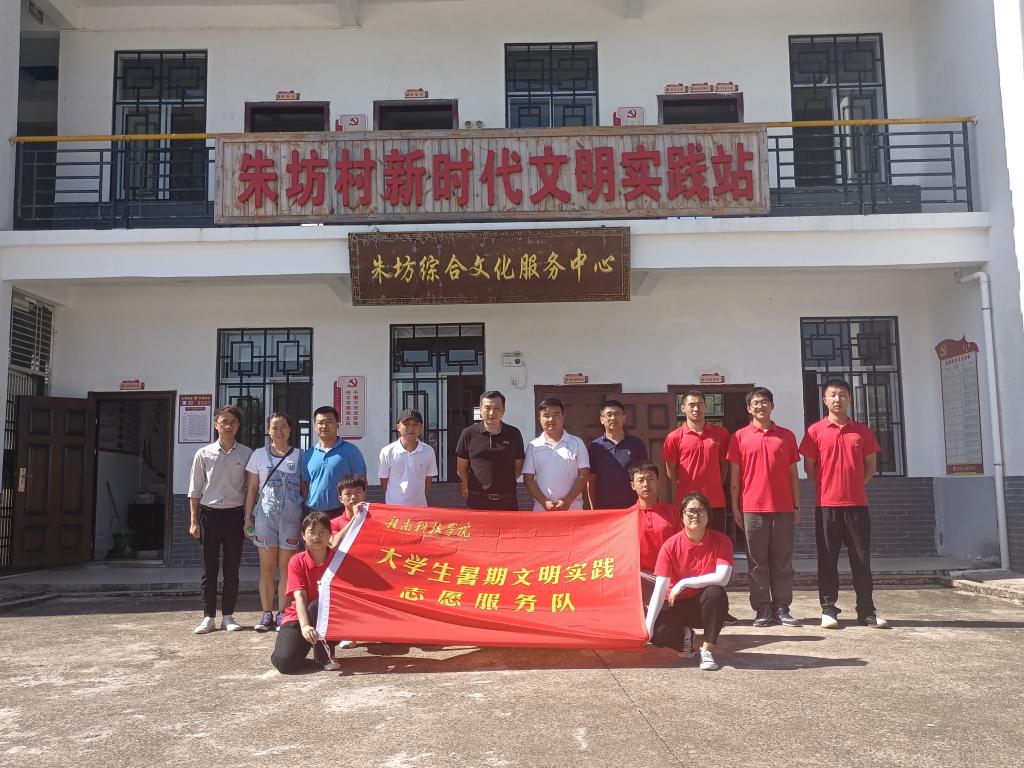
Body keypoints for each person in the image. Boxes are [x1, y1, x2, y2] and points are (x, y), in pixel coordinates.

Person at [800, 378, 889, 629]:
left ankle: (866, 611)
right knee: (827, 559)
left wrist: (854, 486)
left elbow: (870, 467)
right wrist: (828, 487)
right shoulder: (815, 431)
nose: (837, 399)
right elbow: (810, 468)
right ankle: (829, 609)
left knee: (861, 560)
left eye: (842, 394)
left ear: (849, 398)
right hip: (826, 506)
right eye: (832, 395)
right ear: (824, 400)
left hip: (857, 506)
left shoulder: (862, 431)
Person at [726, 387, 801, 628]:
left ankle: (782, 607)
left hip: (783, 508)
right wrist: (736, 509)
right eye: (756, 403)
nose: (760, 406)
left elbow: (793, 475)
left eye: (765, 402)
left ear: (772, 406)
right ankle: (762, 608)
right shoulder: (739, 437)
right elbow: (735, 477)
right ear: (749, 408)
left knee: (782, 561)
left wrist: (796, 506)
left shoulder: (786, 436)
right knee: (757, 562)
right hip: (753, 509)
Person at [645, 491, 734, 671]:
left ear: (708, 516)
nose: (696, 515)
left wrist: (684, 582)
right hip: (675, 604)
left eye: (701, 511)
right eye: (690, 511)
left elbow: (723, 578)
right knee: (658, 634)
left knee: (715, 593)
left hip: (702, 606)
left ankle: (707, 650)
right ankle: (685, 637)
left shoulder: (721, 541)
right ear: (682, 516)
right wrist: (648, 628)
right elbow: (660, 589)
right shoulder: (670, 546)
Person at [188, 405, 253, 634]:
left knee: (232, 568)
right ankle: (208, 617)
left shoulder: (246, 454)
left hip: (235, 516)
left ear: (238, 426)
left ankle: (228, 616)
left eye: (233, 422)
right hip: (209, 515)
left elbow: (250, 489)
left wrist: (248, 518)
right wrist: (194, 520)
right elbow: (195, 489)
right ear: (216, 425)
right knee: (209, 570)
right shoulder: (203, 454)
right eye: (224, 422)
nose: (228, 426)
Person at [270, 511, 354, 673]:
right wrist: (305, 626)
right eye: (312, 532)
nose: (317, 536)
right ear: (303, 535)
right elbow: (299, 595)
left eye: (322, 532)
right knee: (284, 663)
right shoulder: (297, 561)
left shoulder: (339, 560)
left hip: (330, 617)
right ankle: (307, 650)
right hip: (299, 617)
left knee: (318, 605)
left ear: (330, 535)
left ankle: (324, 656)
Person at [244, 412, 304, 633]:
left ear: (290, 430)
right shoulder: (258, 455)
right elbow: (252, 489)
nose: (279, 431)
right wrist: (247, 518)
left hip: (291, 520)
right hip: (264, 519)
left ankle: (282, 614)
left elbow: (304, 489)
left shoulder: (299, 456)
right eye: (275, 427)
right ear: (268, 430)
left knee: (287, 569)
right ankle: (266, 613)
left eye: (284, 427)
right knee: (267, 568)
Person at [662, 390, 731, 532]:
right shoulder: (674, 437)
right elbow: (670, 471)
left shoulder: (721, 433)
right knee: (688, 541)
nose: (696, 408)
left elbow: (724, 466)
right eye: (691, 405)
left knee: (715, 540)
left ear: (706, 407)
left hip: (715, 500)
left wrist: (715, 484)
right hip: (686, 502)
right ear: (683, 408)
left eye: (700, 404)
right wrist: (684, 485)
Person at [455, 390, 525, 510]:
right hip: (477, 502)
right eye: (487, 408)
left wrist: (504, 483)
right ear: (481, 409)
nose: (492, 413)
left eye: (496, 408)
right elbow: (461, 468)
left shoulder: (514, 433)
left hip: (507, 501)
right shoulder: (468, 433)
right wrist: (467, 485)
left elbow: (518, 466)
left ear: (503, 410)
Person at [522, 398, 590, 511]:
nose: (551, 419)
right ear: (540, 419)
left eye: (556, 415)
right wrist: (544, 502)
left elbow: (584, 475)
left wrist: (568, 500)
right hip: (542, 509)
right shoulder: (533, 446)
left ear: (563, 417)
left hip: (572, 508)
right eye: (546, 415)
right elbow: (528, 479)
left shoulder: (577, 443)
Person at [301, 405, 366, 520]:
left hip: (341, 512)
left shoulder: (351, 451)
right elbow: (305, 485)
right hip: (313, 513)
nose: (324, 426)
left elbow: (362, 482)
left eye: (329, 422)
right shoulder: (308, 454)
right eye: (320, 423)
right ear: (315, 426)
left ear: (337, 424)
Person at [628, 461, 680, 603]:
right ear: (633, 485)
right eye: (640, 480)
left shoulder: (673, 513)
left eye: (650, 479)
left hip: (670, 577)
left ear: (658, 483)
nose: (646, 484)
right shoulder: (626, 517)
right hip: (641, 578)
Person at [586, 399, 648, 509]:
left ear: (624, 418)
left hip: (632, 507)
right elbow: (592, 479)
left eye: (617, 414)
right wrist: (593, 508)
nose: (613, 418)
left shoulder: (637, 444)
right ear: (601, 420)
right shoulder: (595, 446)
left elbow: (644, 476)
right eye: (609, 415)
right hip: (604, 508)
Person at [378, 408, 438, 507]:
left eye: (415, 424)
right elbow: (384, 482)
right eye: (406, 424)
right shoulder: (387, 452)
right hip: (394, 508)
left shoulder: (428, 451)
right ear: (398, 427)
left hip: (419, 507)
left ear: (420, 427)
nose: (411, 428)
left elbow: (428, 482)